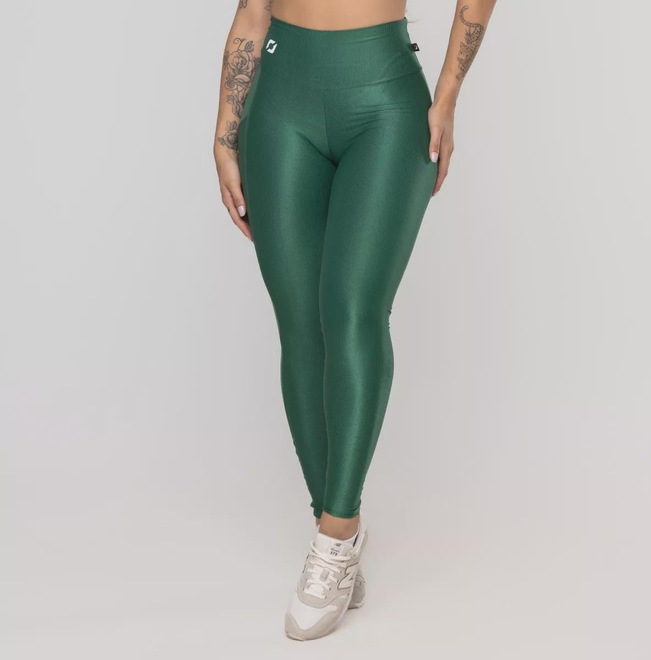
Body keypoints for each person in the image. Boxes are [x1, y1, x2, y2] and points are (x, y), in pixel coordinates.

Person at [213, 0, 497, 641]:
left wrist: (448, 94)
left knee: (352, 309)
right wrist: (226, 131)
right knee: (299, 324)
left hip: (384, 100)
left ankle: (335, 538)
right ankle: (332, 521)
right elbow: (254, 10)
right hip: (279, 102)